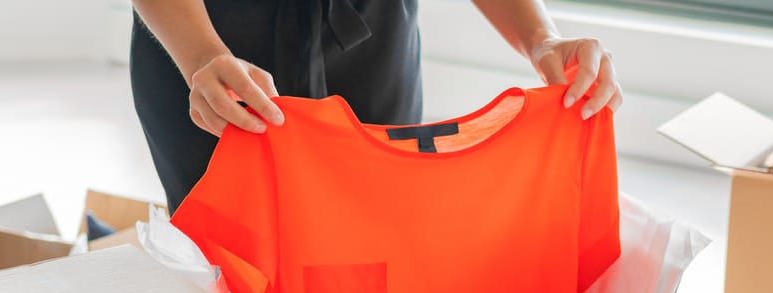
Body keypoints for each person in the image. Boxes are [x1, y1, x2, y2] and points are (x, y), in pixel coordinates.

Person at [130, 0, 624, 212]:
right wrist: (202, 54)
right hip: (209, 45)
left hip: (371, 40)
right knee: (225, 283)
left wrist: (541, 38)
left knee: (373, 250)